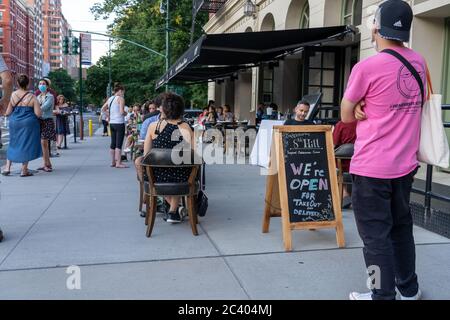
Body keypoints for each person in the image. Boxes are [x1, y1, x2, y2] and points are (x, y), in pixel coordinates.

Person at [341, 0, 424, 300]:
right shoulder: (419, 62)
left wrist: (361, 106)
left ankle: (381, 294)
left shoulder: (366, 67)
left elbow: (345, 115)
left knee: (375, 238)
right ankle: (409, 289)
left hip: (371, 168)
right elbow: (420, 102)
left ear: (376, 27)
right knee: (401, 228)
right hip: (405, 166)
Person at [141, 92, 194, 223]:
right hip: (182, 176)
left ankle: (173, 210)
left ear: (164, 109)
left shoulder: (154, 127)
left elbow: (146, 155)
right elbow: (193, 154)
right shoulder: (186, 127)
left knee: (152, 173)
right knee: (179, 170)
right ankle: (173, 211)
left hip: (157, 177)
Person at [1, 74, 42, 177]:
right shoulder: (32, 96)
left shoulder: (13, 95)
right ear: (28, 84)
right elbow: (38, 114)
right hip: (28, 123)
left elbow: (8, 112)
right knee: (26, 144)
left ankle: (7, 168)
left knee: (13, 143)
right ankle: (24, 170)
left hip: (15, 122)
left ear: (18, 83)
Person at [101, 83, 128, 168]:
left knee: (113, 143)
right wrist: (126, 113)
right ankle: (118, 163)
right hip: (119, 123)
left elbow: (103, 109)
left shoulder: (110, 99)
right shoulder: (120, 99)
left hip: (112, 123)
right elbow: (121, 112)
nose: (123, 93)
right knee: (118, 144)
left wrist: (109, 115)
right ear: (120, 91)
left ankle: (113, 162)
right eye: (123, 92)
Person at [333, 120, 357, 208]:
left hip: (342, 165)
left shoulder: (341, 124)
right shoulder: (363, 123)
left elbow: (333, 143)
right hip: (359, 164)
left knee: (330, 165)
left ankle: (344, 194)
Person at [37, 79, 56, 173]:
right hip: (39, 121)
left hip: (47, 121)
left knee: (44, 142)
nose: (41, 85)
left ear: (47, 86)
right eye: (40, 84)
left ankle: (47, 164)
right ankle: (47, 163)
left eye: (43, 84)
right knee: (43, 144)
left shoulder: (50, 96)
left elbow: (43, 107)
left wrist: (35, 109)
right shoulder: (38, 96)